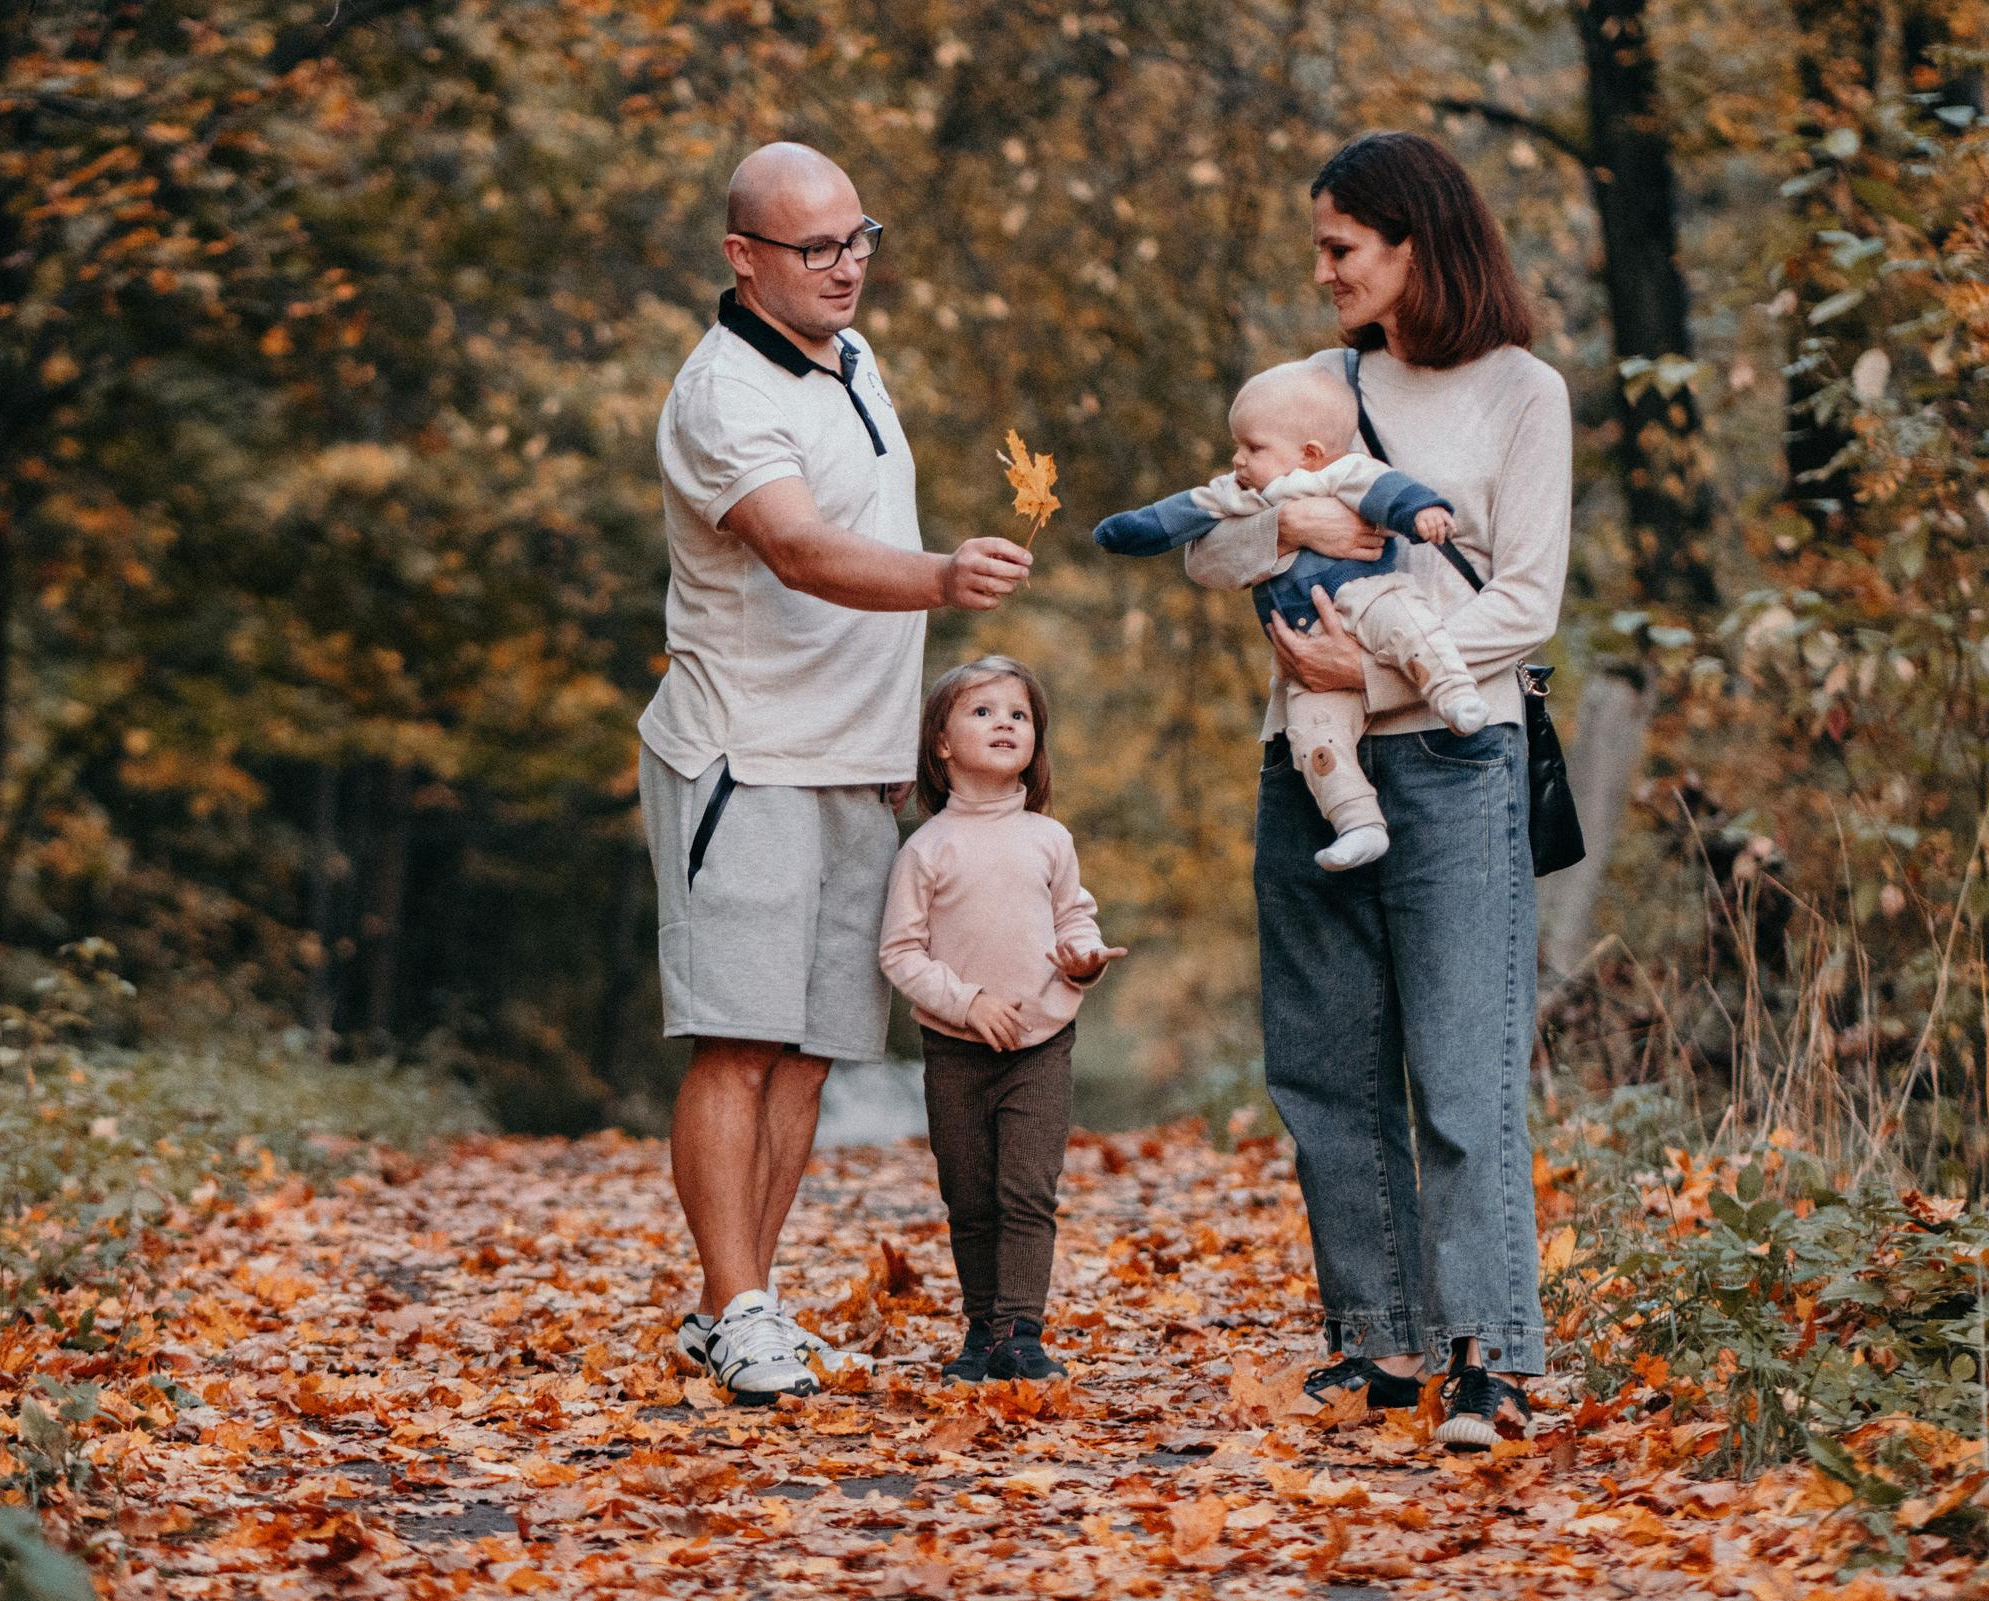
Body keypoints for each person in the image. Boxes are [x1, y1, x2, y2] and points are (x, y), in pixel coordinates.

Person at [1181, 131, 1570, 1450]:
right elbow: (1207, 547)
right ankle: (1383, 1342)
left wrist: (1399, 658)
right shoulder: (1312, 388)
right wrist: (1283, 526)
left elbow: (1530, 593)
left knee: (1461, 1068)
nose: (1323, 270)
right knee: (1326, 1064)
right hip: (1308, 757)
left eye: (1341, 248)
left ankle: (1491, 1359)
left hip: (1457, 761)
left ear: (1417, 244)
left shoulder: (1523, 392)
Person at [642, 142, 1034, 1405]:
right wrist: (939, 578)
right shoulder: (719, 396)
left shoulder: (855, 359)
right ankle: (735, 1300)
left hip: (856, 762)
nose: (846, 266)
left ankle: (741, 1308)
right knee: (737, 1041)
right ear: (742, 258)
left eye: (860, 237)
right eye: (814, 249)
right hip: (744, 757)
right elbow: (802, 551)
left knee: (808, 1051)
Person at [1092, 360, 1489, 872]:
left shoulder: (1342, 472)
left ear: (1310, 454)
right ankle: (1357, 822)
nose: (1237, 459)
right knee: (1313, 737)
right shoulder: (1240, 494)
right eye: (1237, 446)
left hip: (1366, 597)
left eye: (1253, 448)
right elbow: (1176, 518)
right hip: (1306, 650)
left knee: (1410, 625)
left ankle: (1453, 693)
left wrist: (1421, 512)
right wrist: (1124, 532)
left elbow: (1388, 492)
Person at [878, 657, 1122, 1383]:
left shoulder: (1049, 838)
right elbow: (899, 952)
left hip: (1040, 1043)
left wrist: (1083, 958)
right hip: (956, 1047)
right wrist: (966, 1001)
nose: (1005, 723)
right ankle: (981, 1328)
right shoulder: (925, 849)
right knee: (970, 1193)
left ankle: (1022, 1330)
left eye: (1018, 714)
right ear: (941, 744)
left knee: (1026, 1190)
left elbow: (1073, 917)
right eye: (982, 712)